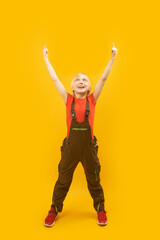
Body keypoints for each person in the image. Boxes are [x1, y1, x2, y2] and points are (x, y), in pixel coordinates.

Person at [42, 43, 118, 227]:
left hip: (89, 150)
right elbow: (54, 80)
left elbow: (103, 79)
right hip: (70, 150)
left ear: (89, 86)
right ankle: (54, 208)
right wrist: (45, 58)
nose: (81, 81)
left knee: (94, 180)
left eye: (84, 79)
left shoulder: (92, 100)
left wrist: (113, 57)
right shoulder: (68, 100)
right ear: (72, 87)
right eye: (77, 80)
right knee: (62, 180)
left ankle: (100, 208)